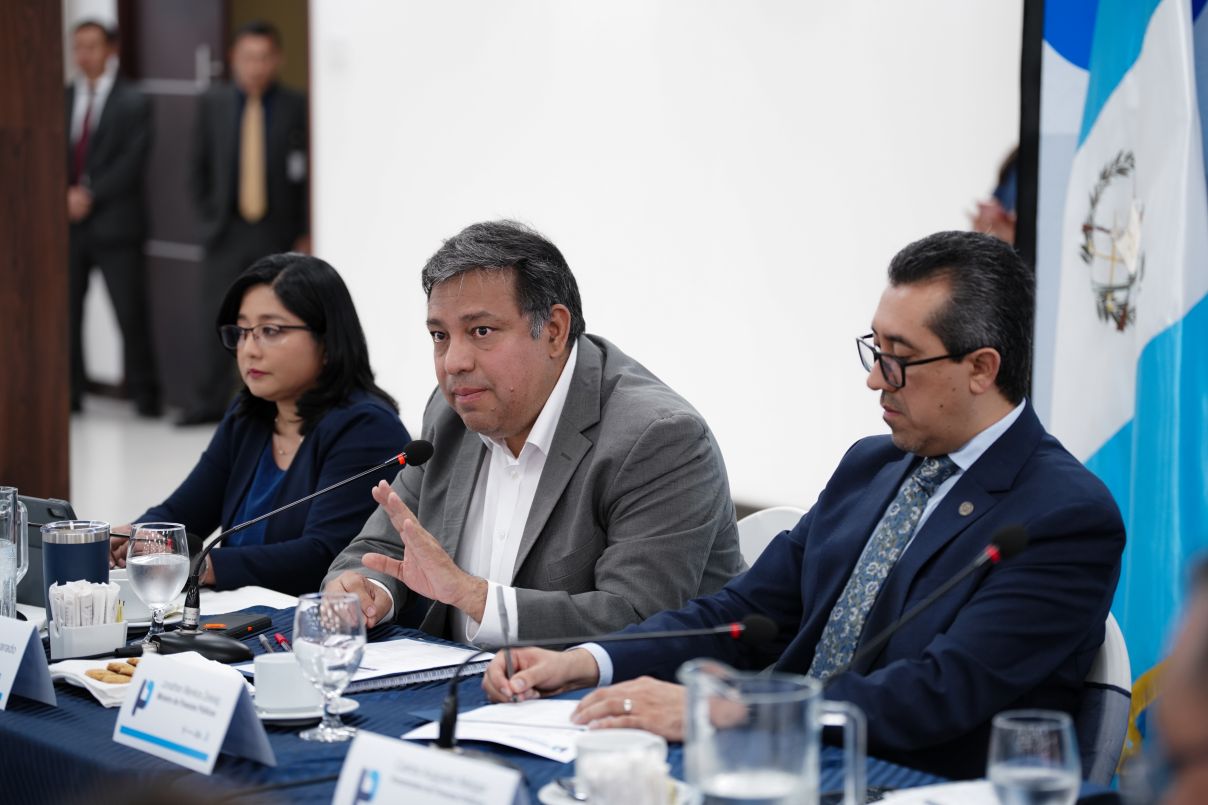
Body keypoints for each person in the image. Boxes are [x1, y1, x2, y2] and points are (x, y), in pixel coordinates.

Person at [483, 230, 1126, 780]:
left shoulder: (1064, 517)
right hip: (775, 762)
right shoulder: (871, 465)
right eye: (875, 350)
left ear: (981, 368)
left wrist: (727, 710)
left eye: (898, 360)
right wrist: (589, 661)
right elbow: (740, 614)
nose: (874, 379)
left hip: (905, 780)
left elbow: (939, 693)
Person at [324, 220, 745, 644]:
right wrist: (368, 590)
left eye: (481, 331)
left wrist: (474, 597)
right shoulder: (453, 412)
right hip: (458, 676)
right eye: (440, 335)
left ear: (554, 331)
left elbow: (636, 620)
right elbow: (381, 549)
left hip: (616, 685)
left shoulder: (658, 438)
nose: (453, 362)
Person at [111, 253, 410, 595]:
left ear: (326, 340)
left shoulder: (366, 428)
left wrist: (201, 565)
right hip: (240, 611)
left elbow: (323, 556)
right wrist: (132, 537)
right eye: (242, 332)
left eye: (270, 331)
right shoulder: (250, 414)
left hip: (317, 618)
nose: (249, 350)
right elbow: (184, 511)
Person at [181, 20, 309, 426]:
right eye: (249, 57)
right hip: (226, 228)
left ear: (277, 59)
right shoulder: (213, 103)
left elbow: (307, 175)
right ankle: (206, 403)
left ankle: (271, 403)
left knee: (276, 318)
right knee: (218, 315)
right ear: (234, 58)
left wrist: (304, 229)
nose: (256, 66)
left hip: (275, 230)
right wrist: (206, 219)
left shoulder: (295, 105)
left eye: (264, 57)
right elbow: (196, 167)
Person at [66, 20, 160, 416]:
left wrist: (89, 194)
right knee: (67, 313)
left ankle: (146, 396)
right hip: (69, 225)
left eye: (92, 46)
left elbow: (131, 161)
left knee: (130, 312)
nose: (84, 54)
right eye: (78, 46)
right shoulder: (63, 96)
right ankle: (70, 393)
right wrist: (64, 194)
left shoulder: (134, 100)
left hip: (116, 223)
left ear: (111, 49)